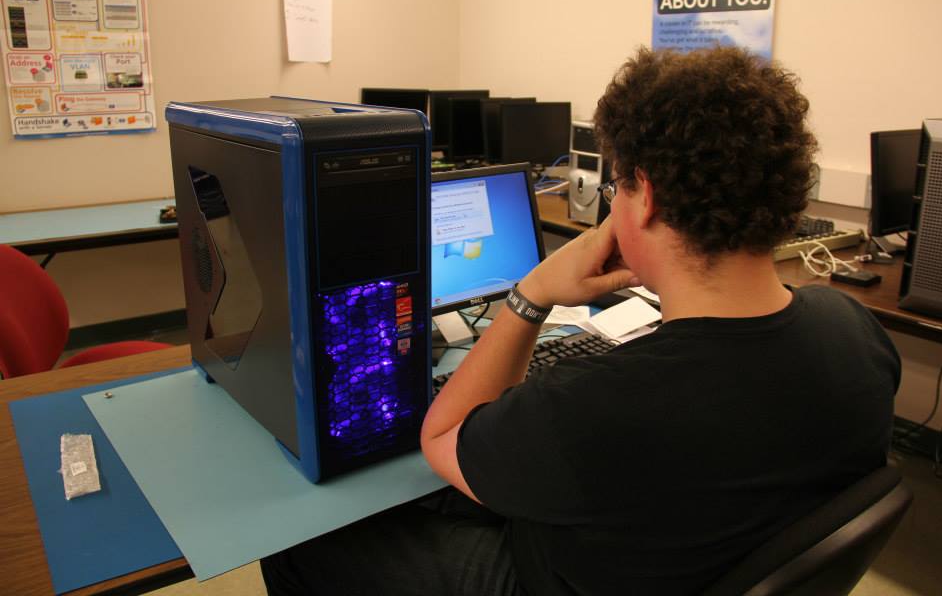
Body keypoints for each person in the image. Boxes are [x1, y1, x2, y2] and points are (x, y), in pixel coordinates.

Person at [260, 46, 900, 595]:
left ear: (643, 196)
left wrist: (532, 293)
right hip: (689, 561)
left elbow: (441, 435)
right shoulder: (855, 332)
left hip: (545, 581)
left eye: (618, 184)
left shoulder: (604, 402)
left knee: (293, 545)